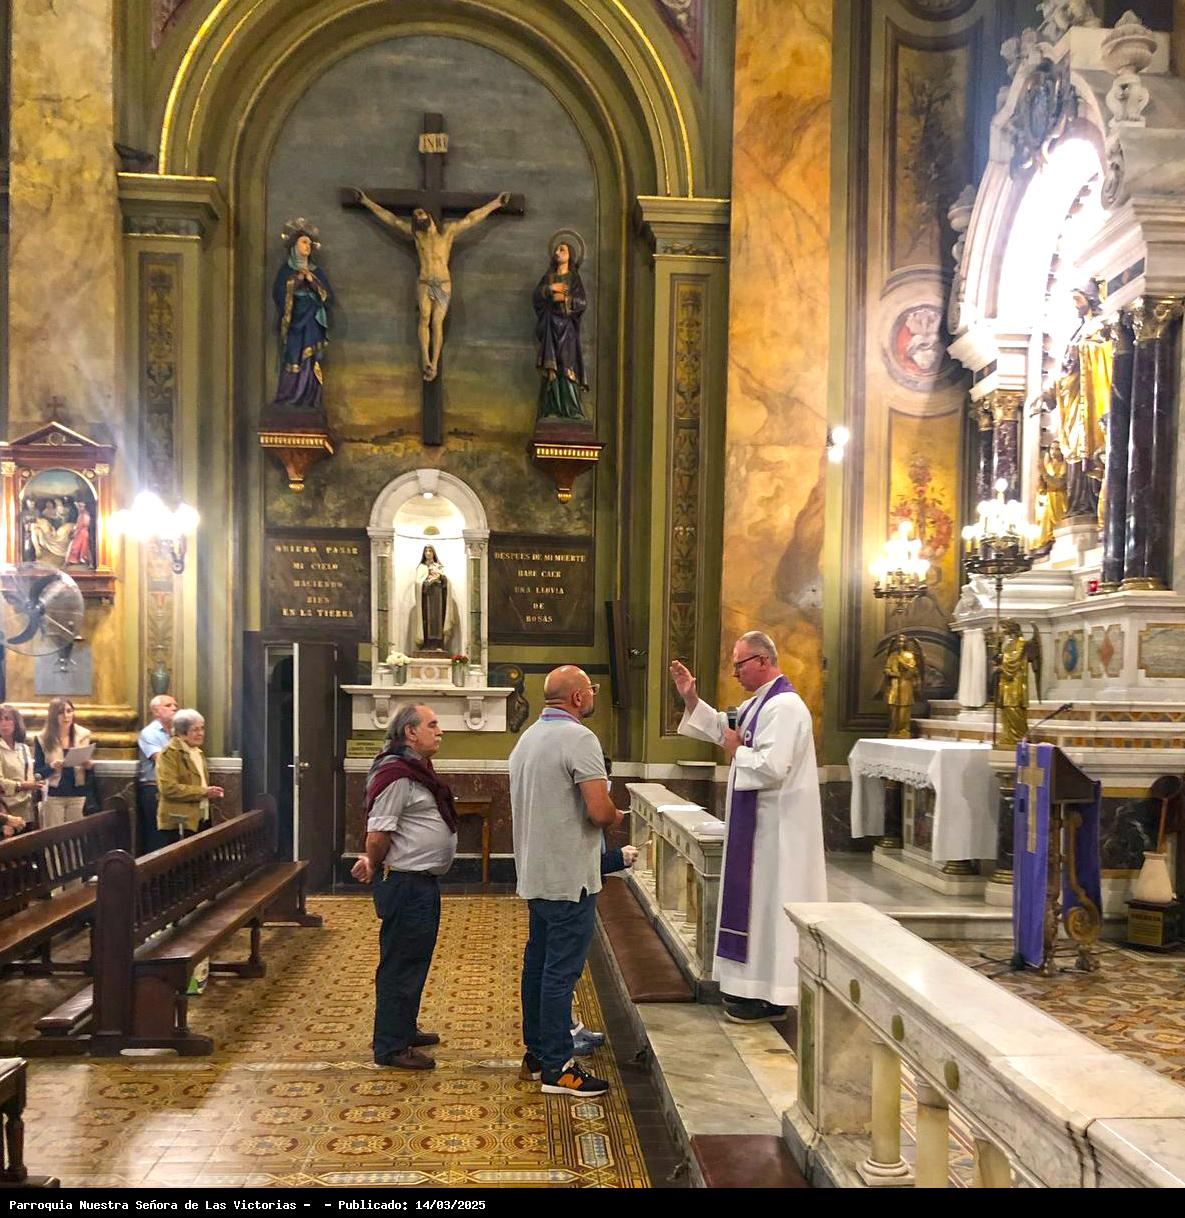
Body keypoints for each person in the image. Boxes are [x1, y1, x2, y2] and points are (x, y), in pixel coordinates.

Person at [670, 632, 827, 1022]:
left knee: (771, 909)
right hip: (759, 829)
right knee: (758, 910)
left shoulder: (785, 707)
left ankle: (774, 993)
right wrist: (691, 699)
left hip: (779, 832)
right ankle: (754, 988)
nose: (735, 672)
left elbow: (772, 767)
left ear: (763, 660)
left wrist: (736, 749)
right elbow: (723, 729)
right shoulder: (760, 703)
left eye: (739, 664)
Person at [511, 665, 621, 1096]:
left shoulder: (527, 739)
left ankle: (537, 1055)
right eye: (590, 689)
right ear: (577, 697)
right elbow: (598, 811)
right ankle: (559, 1068)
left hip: (536, 874)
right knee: (560, 974)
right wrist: (616, 814)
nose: (593, 694)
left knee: (537, 968)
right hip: (570, 878)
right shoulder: (580, 738)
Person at [350, 703, 456, 1070]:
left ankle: (403, 1028)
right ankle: (391, 1046)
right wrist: (372, 860)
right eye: (432, 724)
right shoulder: (397, 774)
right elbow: (379, 831)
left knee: (415, 959)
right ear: (410, 732)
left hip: (419, 882)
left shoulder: (415, 770)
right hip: (405, 883)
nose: (439, 731)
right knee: (401, 964)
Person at [352, 189, 511, 381]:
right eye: (415, 215)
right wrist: (366, 201)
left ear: (429, 215)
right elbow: (392, 220)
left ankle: (434, 363)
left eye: (420, 213)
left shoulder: (448, 233)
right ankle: (425, 360)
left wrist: (496, 203)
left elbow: (471, 219)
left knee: (437, 322)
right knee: (424, 318)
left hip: (442, 283)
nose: (418, 217)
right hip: (425, 282)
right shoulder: (417, 236)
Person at [270, 223, 333, 412]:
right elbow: (278, 294)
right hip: (294, 323)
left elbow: (328, 297)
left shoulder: (316, 271)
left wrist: (312, 282)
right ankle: (289, 396)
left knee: (312, 359)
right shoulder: (286, 271)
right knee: (293, 356)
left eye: (310, 243)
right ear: (294, 245)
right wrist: (296, 281)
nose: (308, 246)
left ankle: (311, 398)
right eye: (304, 242)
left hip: (312, 320)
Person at [533, 232, 589, 419]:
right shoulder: (549, 277)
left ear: (570, 255)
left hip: (567, 329)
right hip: (550, 326)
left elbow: (581, 302)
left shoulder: (574, 278)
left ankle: (572, 409)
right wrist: (550, 289)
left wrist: (566, 298)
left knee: (567, 364)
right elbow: (536, 297)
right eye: (556, 249)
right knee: (552, 367)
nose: (557, 252)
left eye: (562, 250)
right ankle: (552, 408)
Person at [155, 709, 224, 843]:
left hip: (200, 817)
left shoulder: (197, 752)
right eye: (195, 730)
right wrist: (204, 792)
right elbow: (168, 788)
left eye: (202, 728)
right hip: (180, 822)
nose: (201, 733)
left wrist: (209, 792)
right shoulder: (169, 753)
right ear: (182, 732)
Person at [34, 698, 96, 829]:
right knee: (54, 835)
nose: (66, 716)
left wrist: (89, 766)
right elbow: (38, 772)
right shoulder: (42, 738)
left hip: (78, 793)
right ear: (53, 715)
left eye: (69, 711)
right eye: (60, 712)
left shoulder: (84, 735)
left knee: (76, 835)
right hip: (54, 795)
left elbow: (89, 768)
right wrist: (52, 766)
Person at [137, 694, 177, 853]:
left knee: (174, 836)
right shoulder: (149, 733)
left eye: (175, 705)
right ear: (156, 711)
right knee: (158, 836)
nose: (174, 708)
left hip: (174, 789)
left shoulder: (177, 732)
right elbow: (162, 760)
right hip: (154, 788)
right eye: (168, 705)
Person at [412, 545, 456, 653]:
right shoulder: (421, 567)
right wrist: (427, 582)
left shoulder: (439, 566)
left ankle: (438, 643)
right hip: (426, 599)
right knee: (426, 620)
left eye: (430, 551)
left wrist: (440, 577)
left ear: (433, 553)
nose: (428, 553)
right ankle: (427, 643)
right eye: (426, 551)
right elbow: (418, 583)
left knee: (438, 620)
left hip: (438, 597)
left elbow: (447, 583)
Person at [0, 705, 36, 836]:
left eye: (7, 719)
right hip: (6, 810)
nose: (3, 723)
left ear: (16, 722)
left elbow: (29, 775)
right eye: (0, 720)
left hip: (27, 809)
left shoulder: (24, 748)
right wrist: (22, 785)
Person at [881, 634, 923, 739]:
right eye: (899, 641)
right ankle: (893, 729)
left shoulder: (909, 655)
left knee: (904, 709)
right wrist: (892, 673)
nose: (901, 643)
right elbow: (887, 668)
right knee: (893, 709)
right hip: (895, 684)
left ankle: (904, 730)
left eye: (903, 641)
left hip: (905, 684)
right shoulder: (892, 655)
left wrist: (903, 663)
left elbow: (913, 670)